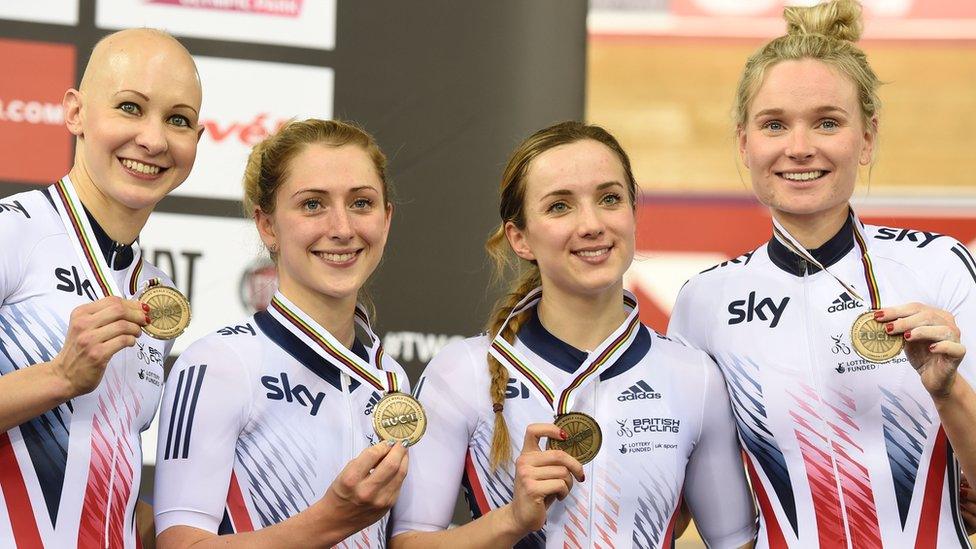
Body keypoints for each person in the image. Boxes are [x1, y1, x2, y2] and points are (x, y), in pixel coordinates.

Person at [668, 1, 976, 546]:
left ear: (868, 138)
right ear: (744, 142)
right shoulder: (703, 302)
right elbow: (701, 509)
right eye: (774, 125)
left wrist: (950, 394)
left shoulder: (938, 266)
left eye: (828, 122)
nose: (800, 147)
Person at [390, 121, 756, 548]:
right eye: (560, 206)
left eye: (610, 198)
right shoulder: (461, 373)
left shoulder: (696, 377)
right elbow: (407, 544)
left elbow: (736, 543)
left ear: (633, 212)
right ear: (520, 238)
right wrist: (513, 519)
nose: (592, 224)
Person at [153, 119, 411, 548]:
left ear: (386, 219)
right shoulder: (218, 363)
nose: (342, 228)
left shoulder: (391, 382)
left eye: (361, 203)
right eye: (312, 204)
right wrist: (329, 520)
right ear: (267, 224)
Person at [0, 29, 202, 548]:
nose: (154, 140)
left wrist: (133, 509)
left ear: (196, 142)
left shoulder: (156, 289)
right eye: (130, 108)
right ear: (75, 113)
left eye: (177, 120)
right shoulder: (12, 232)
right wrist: (60, 377)